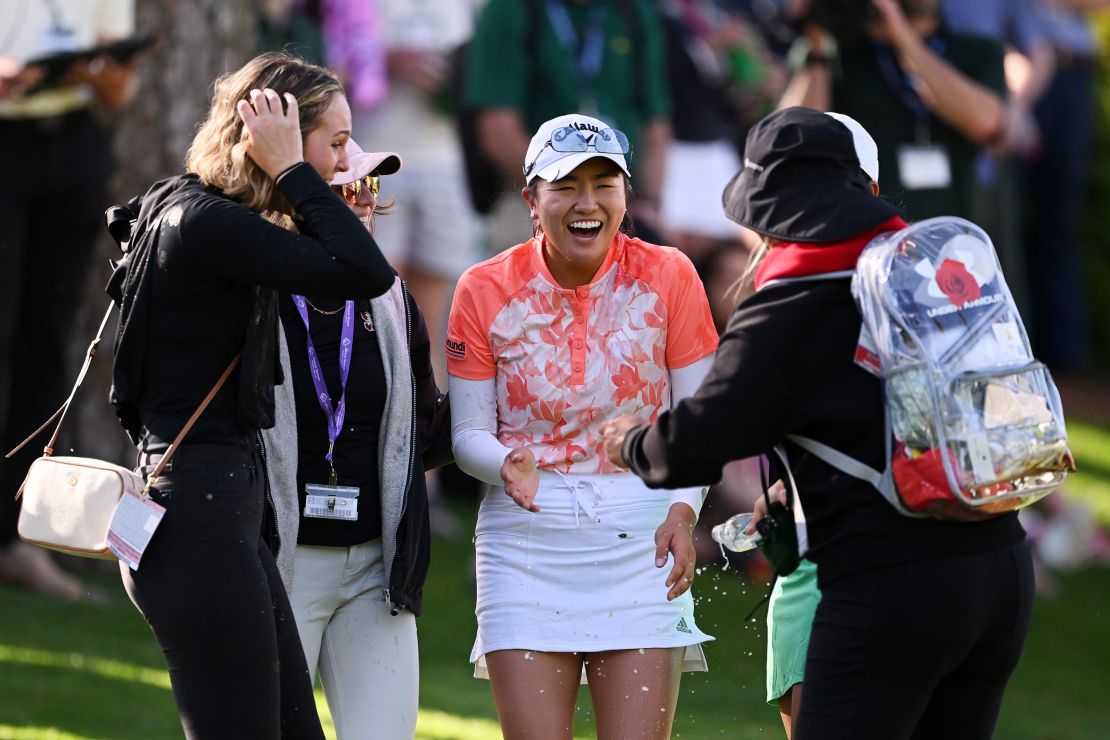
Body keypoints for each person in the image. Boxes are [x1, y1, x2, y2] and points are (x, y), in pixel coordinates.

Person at [600, 106, 1034, 739]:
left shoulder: (797, 299)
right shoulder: (924, 275)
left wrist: (629, 442)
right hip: (999, 571)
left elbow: (699, 443)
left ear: (771, 209)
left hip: (894, 585)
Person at [109, 52, 397, 739]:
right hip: (195, 515)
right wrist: (295, 172)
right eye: (334, 144)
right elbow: (365, 270)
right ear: (274, 139)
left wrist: (295, 177)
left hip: (211, 508)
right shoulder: (203, 223)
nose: (345, 164)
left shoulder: (194, 211)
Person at [446, 112, 719, 739]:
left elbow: (696, 424)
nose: (586, 203)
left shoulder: (670, 274)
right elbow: (467, 436)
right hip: (526, 538)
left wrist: (683, 512)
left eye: (604, 184)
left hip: (643, 535)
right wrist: (504, 464)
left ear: (626, 195)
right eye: (565, 185)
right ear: (531, 201)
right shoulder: (483, 288)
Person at [263, 139, 452, 740]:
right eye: (345, 189)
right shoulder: (255, 293)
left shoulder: (392, 299)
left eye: (370, 187)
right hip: (278, 565)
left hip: (376, 570)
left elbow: (420, 432)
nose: (363, 201)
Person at [0, 0, 138, 600]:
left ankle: (15, 541)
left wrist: (90, 72)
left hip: (71, 146)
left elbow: (118, 92)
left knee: (46, 345)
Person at [466, 0, 673, 251]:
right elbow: (499, 131)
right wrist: (562, 197)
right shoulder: (510, 9)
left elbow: (655, 124)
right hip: (534, 199)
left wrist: (645, 201)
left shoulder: (634, 10)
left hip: (623, 203)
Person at [779, 0, 1008, 223]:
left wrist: (902, 36)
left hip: (950, 240)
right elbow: (794, 142)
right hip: (865, 241)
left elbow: (987, 123)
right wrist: (817, 40)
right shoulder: (837, 52)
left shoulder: (978, 50)